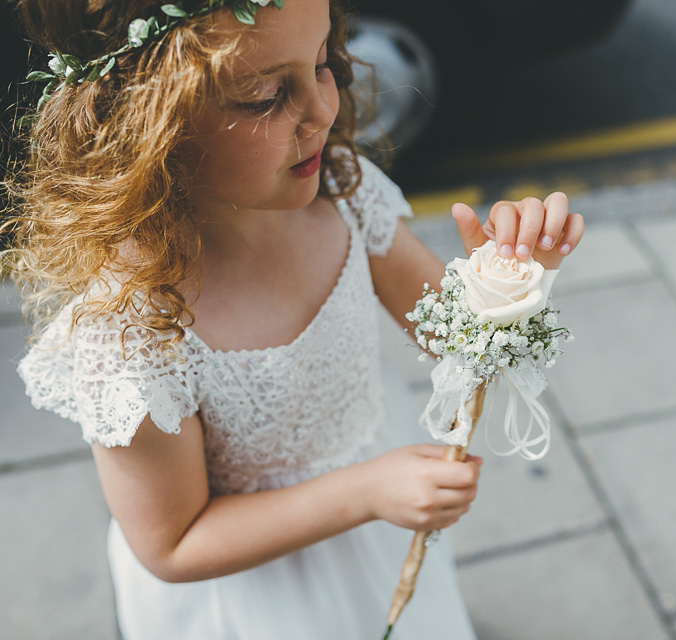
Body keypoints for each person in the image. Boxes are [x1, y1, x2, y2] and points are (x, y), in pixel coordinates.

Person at [3, 0, 584, 638]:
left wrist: (511, 275)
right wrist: (364, 493)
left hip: (377, 523)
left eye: (322, 63)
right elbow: (171, 544)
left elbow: (453, 337)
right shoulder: (132, 332)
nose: (324, 111)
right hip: (256, 600)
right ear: (149, 124)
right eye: (265, 96)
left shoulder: (341, 188)